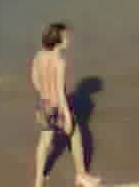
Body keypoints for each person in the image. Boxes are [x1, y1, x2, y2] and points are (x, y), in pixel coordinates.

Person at [29, 22, 98, 187]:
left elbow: (34, 79)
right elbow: (60, 91)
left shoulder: (38, 55)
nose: (69, 40)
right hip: (57, 106)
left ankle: (38, 180)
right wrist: (67, 115)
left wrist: (43, 93)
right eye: (66, 37)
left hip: (43, 104)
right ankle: (81, 175)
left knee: (44, 141)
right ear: (58, 40)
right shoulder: (60, 61)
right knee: (75, 134)